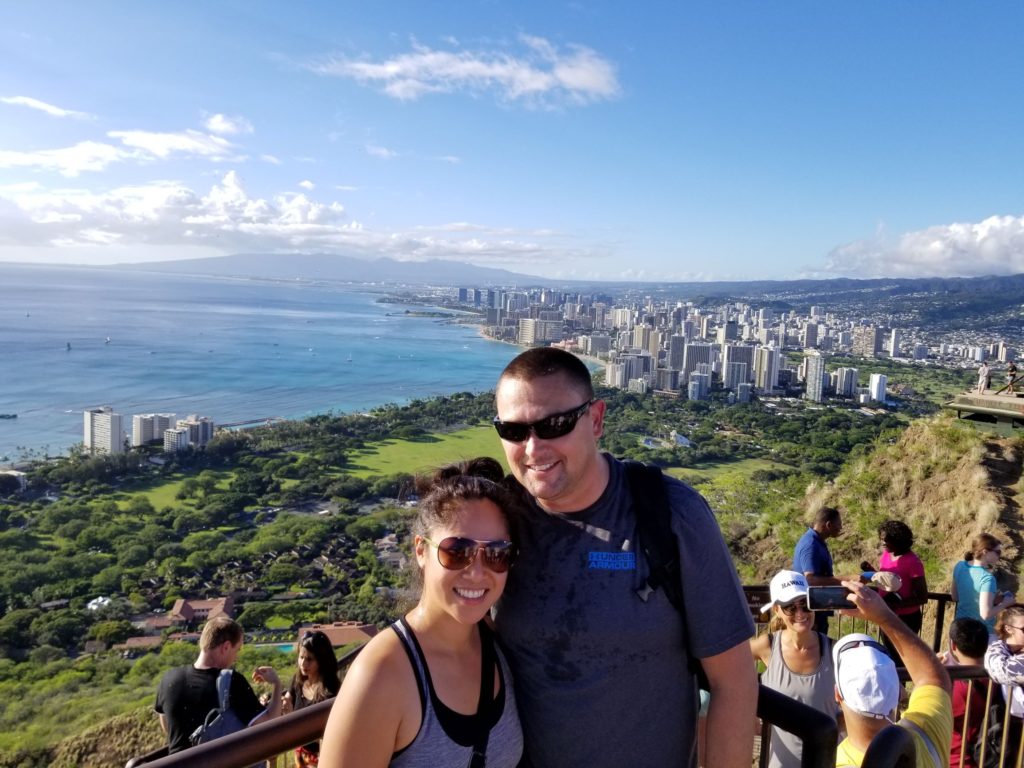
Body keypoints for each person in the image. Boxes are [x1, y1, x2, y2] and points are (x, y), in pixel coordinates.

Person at [491, 347, 757, 768]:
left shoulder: (671, 514)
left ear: (596, 420)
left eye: (554, 424)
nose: (533, 448)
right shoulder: (498, 521)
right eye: (513, 430)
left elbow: (734, 680)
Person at [319, 458, 523, 768]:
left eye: (496, 554)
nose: (477, 572)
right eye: (457, 551)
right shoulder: (382, 674)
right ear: (420, 551)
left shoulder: (499, 643)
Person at [833, 579, 952, 768]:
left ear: (837, 695)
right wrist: (884, 616)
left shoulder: (838, 762)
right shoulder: (927, 731)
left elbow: (933, 679)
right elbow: (933, 679)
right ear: (897, 692)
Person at [154, 616, 282, 754]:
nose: (236, 657)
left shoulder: (168, 679)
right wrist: (277, 684)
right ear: (226, 647)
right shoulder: (231, 681)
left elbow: (166, 725)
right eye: (237, 649)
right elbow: (268, 724)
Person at [750, 570, 838, 768]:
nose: (800, 614)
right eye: (790, 607)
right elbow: (727, 669)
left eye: (805, 604)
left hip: (827, 761)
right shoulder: (767, 646)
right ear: (777, 610)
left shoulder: (834, 650)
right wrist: (747, 709)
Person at [862, 520, 928, 664]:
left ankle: (900, 686)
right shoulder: (886, 554)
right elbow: (888, 581)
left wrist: (897, 604)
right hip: (886, 613)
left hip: (906, 619)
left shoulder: (913, 562)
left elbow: (922, 597)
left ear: (898, 539)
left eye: (886, 540)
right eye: (881, 539)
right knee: (890, 658)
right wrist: (873, 573)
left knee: (900, 661)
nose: (883, 543)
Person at [283, 630, 340, 767]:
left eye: (309, 659)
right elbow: (286, 701)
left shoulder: (330, 694)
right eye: (301, 657)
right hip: (301, 759)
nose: (303, 664)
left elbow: (328, 736)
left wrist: (291, 717)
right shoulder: (298, 682)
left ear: (321, 660)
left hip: (322, 760)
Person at [942, 618, 992, 768]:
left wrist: (934, 675)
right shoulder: (999, 680)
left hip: (957, 760)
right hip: (991, 756)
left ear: (953, 646)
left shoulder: (954, 688)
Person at [793, 506, 845, 634]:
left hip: (816, 609)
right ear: (828, 524)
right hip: (811, 612)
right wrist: (848, 579)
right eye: (839, 524)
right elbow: (810, 580)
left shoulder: (817, 542)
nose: (841, 528)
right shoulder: (811, 544)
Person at [951, 533, 1014, 634]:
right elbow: (985, 614)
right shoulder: (987, 578)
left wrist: (991, 599)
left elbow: (955, 597)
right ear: (985, 552)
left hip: (959, 628)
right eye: (997, 552)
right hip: (980, 634)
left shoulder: (959, 566)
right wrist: (1005, 603)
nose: (999, 555)